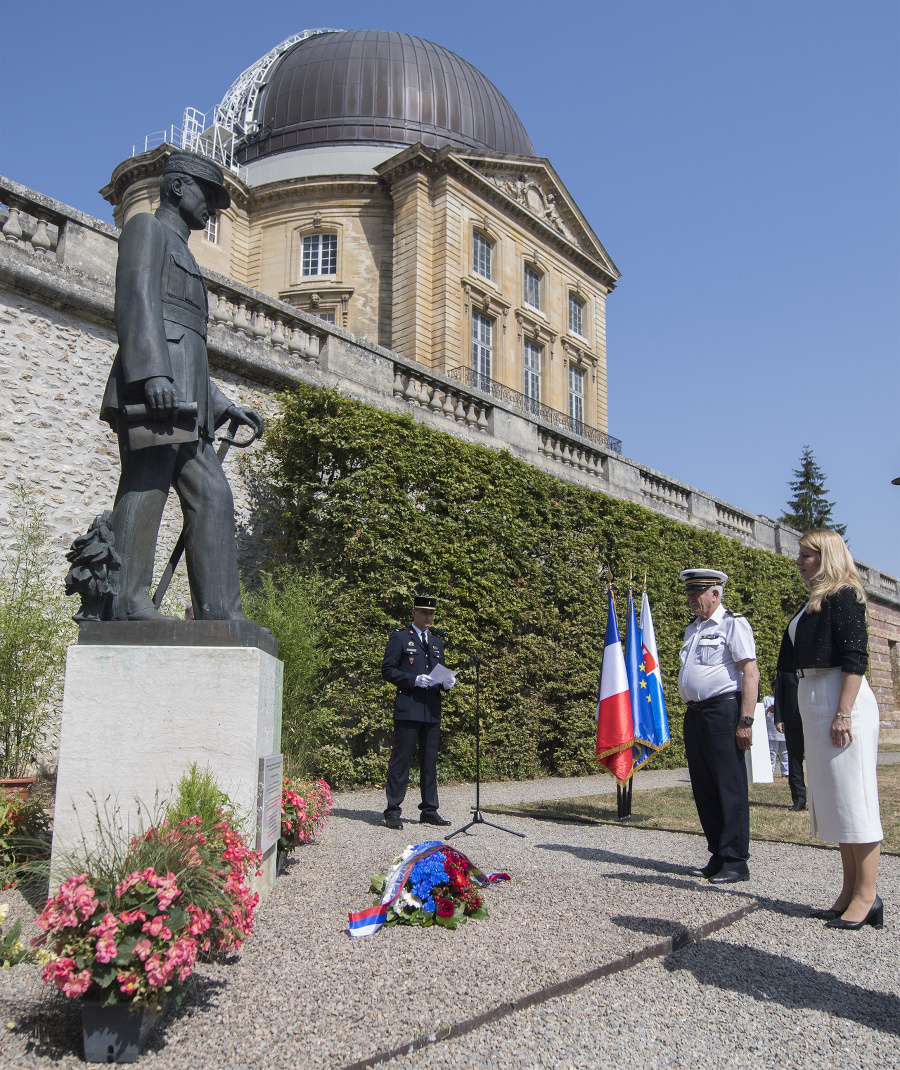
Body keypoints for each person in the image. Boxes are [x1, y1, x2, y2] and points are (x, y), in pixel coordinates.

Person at [101, 151, 264, 621]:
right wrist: (152, 374)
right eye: (206, 196)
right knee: (146, 485)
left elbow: (190, 343)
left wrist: (222, 404)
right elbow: (135, 302)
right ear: (176, 188)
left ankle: (218, 610)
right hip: (155, 391)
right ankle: (127, 600)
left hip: (187, 399)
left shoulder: (185, 252)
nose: (211, 209)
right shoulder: (146, 230)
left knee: (213, 494)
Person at [777, 529, 883, 929]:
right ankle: (849, 888)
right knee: (836, 799)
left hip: (842, 695)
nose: (799, 561)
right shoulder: (813, 602)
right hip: (814, 693)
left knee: (855, 797)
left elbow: (856, 658)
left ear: (827, 556)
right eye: (800, 554)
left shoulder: (845, 595)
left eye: (807, 555)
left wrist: (843, 713)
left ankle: (867, 895)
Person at [677, 569, 760, 884]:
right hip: (696, 714)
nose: (692, 599)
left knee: (729, 786)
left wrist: (746, 720)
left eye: (698, 593)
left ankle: (737, 861)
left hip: (723, 711)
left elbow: (750, 673)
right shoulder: (693, 628)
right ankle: (718, 854)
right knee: (704, 787)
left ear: (716, 593)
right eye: (689, 594)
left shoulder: (732, 624)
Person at [381, 595, 456, 830]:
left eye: (431, 613)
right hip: (409, 707)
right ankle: (393, 810)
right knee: (401, 761)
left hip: (431, 710)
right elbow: (388, 670)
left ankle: (429, 810)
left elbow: (438, 671)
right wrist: (413, 679)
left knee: (430, 762)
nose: (428, 617)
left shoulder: (436, 642)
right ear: (414, 612)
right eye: (424, 612)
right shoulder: (401, 637)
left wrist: (446, 683)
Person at [773, 666, 806, 810]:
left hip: (813, 718)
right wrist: (778, 719)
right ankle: (799, 799)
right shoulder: (784, 668)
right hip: (792, 719)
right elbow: (779, 695)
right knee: (794, 759)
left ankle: (820, 796)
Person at [764, 694, 789, 778]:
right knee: (772, 753)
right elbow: (760, 712)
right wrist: (768, 710)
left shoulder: (785, 697)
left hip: (783, 730)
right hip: (772, 731)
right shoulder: (767, 699)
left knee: (785, 752)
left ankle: (786, 772)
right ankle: (770, 771)